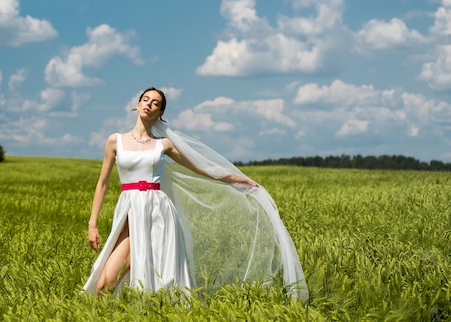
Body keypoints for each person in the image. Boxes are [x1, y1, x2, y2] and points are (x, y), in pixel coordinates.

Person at [82, 87, 308, 301]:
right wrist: (93, 224)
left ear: (161, 113)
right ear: (137, 103)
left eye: (156, 103)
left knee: (152, 275)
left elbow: (201, 167)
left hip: (158, 212)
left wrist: (234, 179)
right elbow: (102, 183)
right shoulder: (116, 141)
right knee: (104, 284)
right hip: (130, 210)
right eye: (145, 100)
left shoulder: (164, 144)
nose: (149, 105)